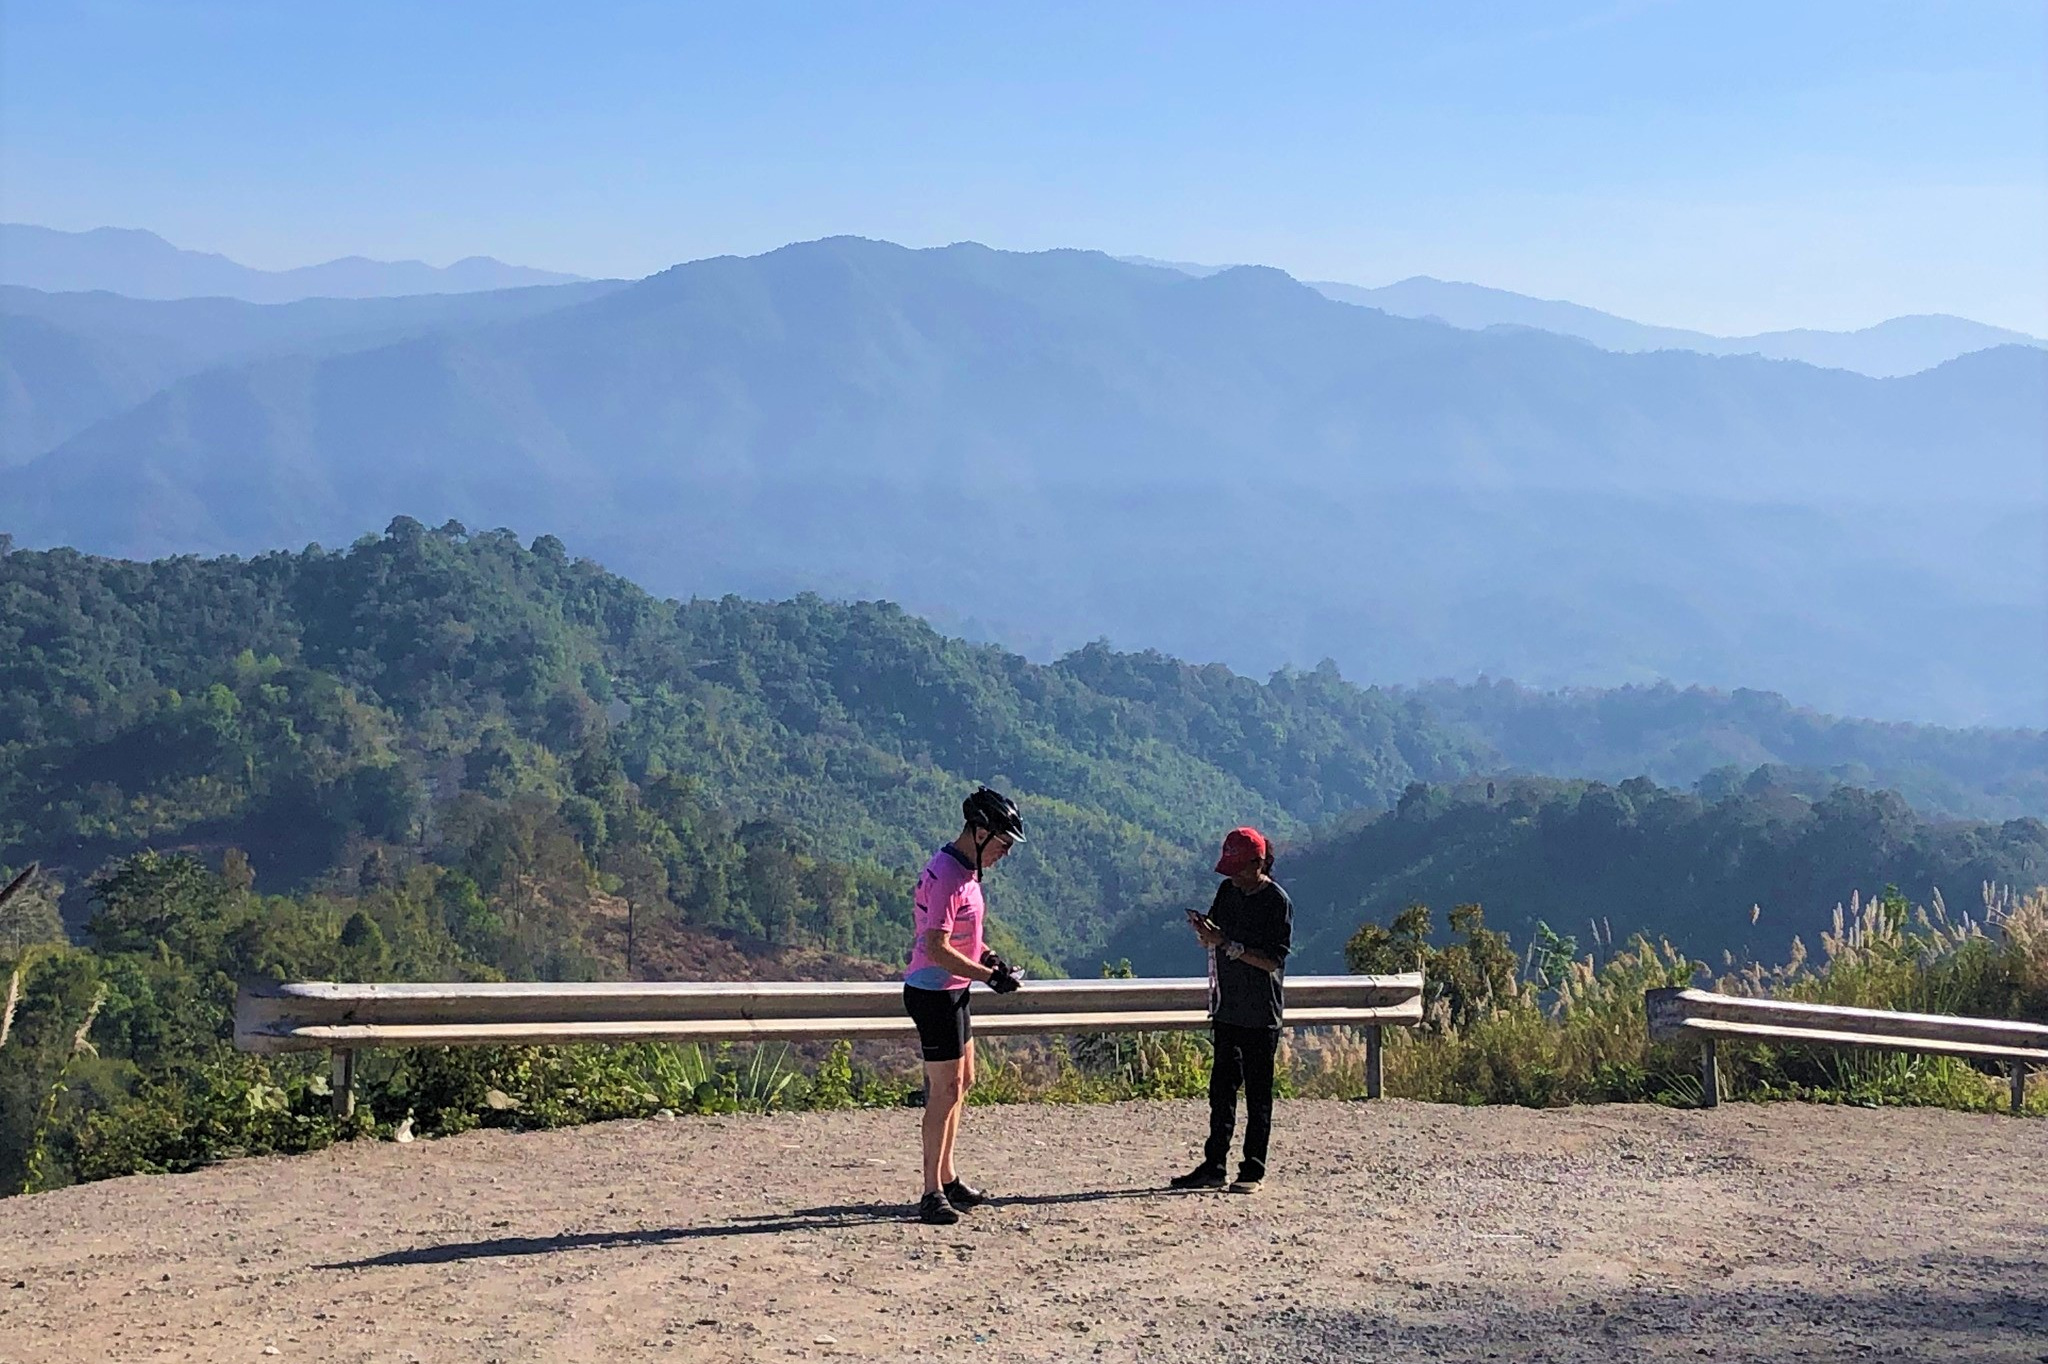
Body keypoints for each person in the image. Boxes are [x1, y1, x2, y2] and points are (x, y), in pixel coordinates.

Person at [902, 786, 1025, 1225]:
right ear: (978, 832)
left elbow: (961, 936)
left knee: (963, 1081)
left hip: (954, 988)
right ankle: (931, 1191)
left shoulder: (966, 872)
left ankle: (949, 1176)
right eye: (1002, 843)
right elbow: (935, 947)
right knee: (944, 1091)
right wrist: (989, 976)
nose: (1005, 853)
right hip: (934, 992)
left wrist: (987, 956)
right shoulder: (950, 876)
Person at [1171, 826, 1292, 1194]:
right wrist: (1206, 933)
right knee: (1221, 1091)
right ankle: (1214, 1165)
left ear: (1259, 863)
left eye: (1240, 870)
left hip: (1259, 1014)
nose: (1234, 878)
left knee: (1258, 1095)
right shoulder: (1228, 891)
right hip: (1227, 1008)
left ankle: (1252, 1169)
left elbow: (1273, 961)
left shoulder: (1277, 901)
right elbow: (1217, 932)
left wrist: (1230, 945)